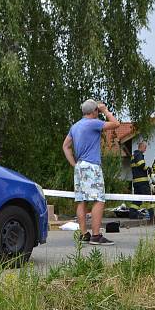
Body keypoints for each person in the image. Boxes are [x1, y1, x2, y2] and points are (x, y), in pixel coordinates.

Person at [62, 99, 121, 245]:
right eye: (97, 111)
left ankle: (84, 235)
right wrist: (105, 110)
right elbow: (116, 124)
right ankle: (96, 236)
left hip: (80, 167)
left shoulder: (75, 127)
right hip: (92, 166)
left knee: (81, 200)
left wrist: (74, 164)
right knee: (98, 199)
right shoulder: (93, 123)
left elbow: (65, 146)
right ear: (94, 111)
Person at [129, 141, 150, 219]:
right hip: (142, 182)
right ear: (141, 147)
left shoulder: (134, 155)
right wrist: (148, 169)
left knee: (137, 199)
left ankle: (132, 214)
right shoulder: (138, 154)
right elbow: (141, 164)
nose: (145, 149)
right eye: (145, 148)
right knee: (148, 198)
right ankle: (152, 215)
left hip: (136, 182)